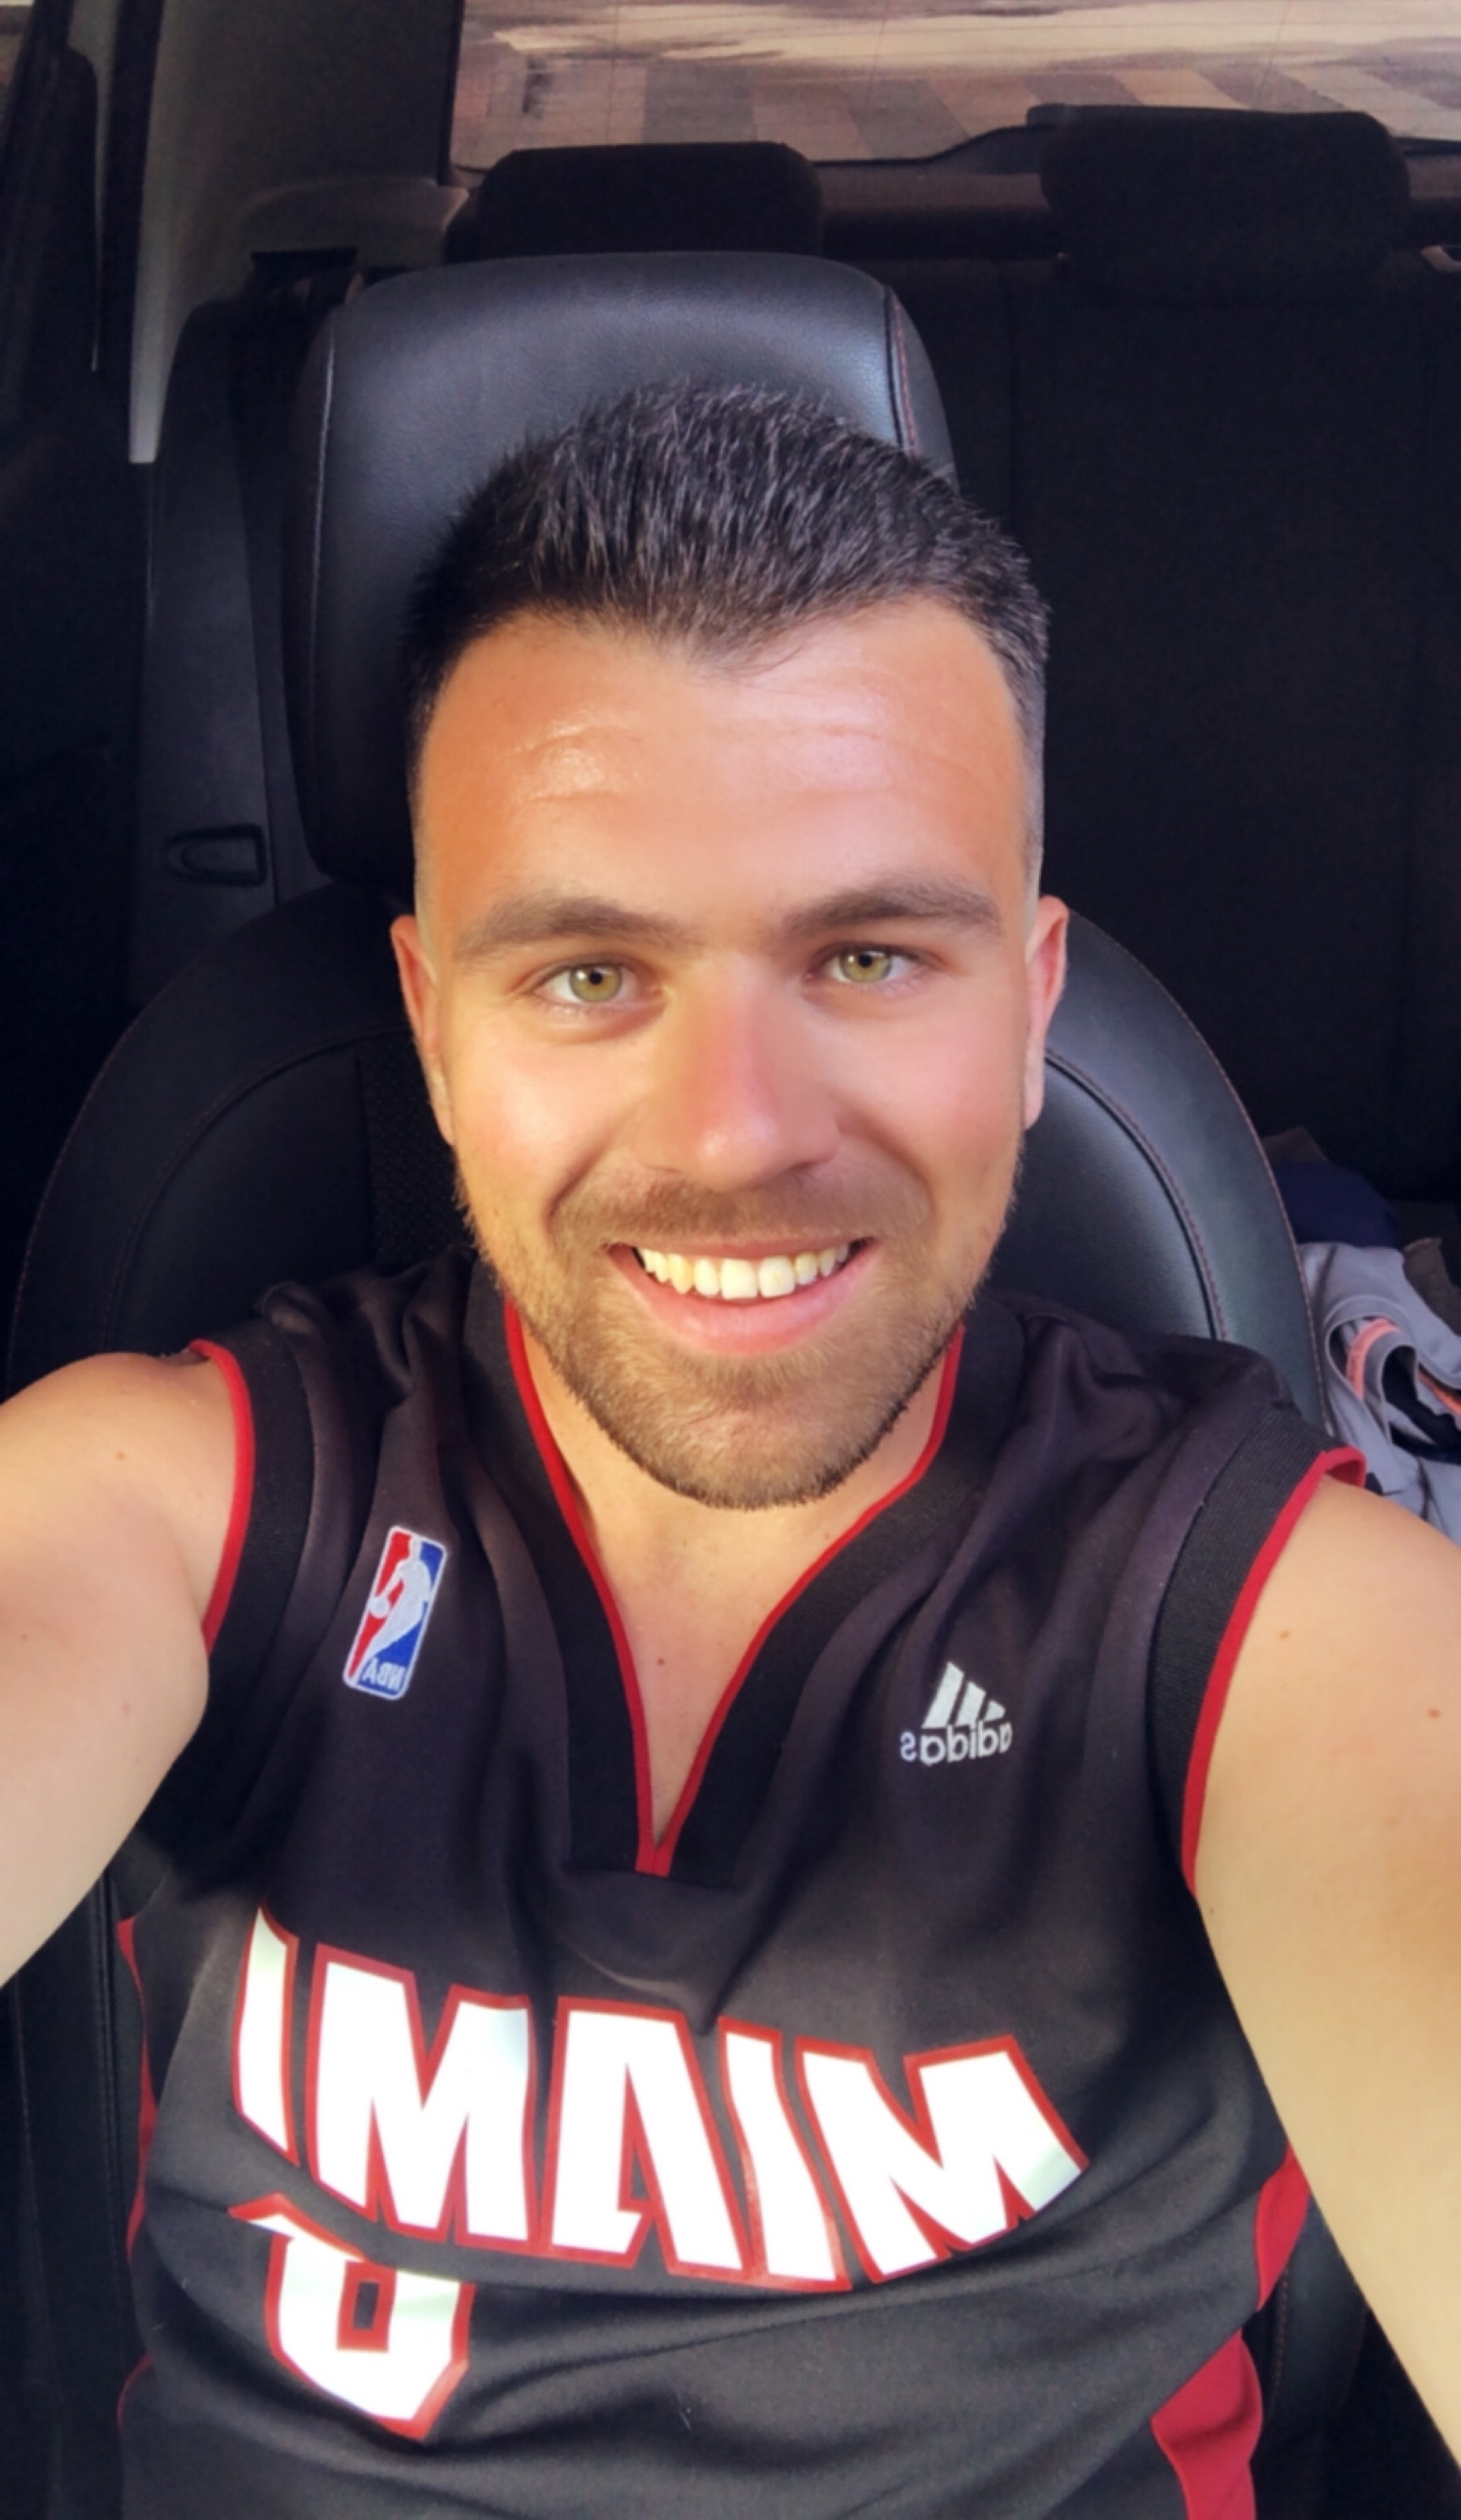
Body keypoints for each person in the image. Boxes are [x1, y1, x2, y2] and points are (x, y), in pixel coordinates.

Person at [3, 384, 1459, 2517]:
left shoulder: (1255, 1611)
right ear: (432, 1026)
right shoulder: (189, 1507)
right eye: (589, 974)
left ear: (1033, 1004)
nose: (737, 1137)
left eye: (868, 957)